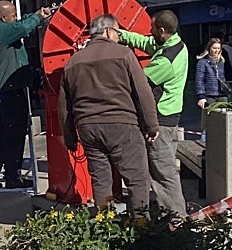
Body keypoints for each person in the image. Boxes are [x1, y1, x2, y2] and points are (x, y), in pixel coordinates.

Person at [58, 14, 159, 213]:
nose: (119, 37)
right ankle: (140, 226)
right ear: (107, 31)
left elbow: (64, 105)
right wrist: (151, 124)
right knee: (136, 178)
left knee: (100, 179)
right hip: (122, 124)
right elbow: (142, 91)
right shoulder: (123, 54)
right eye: (118, 32)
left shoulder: (73, 62)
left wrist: (70, 137)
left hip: (88, 128)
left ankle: (104, 224)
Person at [117, 9, 189, 216]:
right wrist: (121, 34)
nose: (149, 31)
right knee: (160, 168)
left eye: (152, 28)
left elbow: (139, 81)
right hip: (168, 118)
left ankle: (176, 218)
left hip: (160, 121)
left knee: (162, 170)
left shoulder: (167, 60)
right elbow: (145, 43)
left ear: (162, 30)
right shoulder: (174, 44)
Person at [0, 0, 54, 188]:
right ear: (3, 18)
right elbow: (20, 29)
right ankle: (11, 175)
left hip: (9, 90)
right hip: (10, 90)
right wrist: (37, 17)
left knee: (3, 133)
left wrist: (36, 15)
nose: (16, 18)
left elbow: (20, 25)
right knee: (13, 134)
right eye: (13, 15)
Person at [195, 38, 231, 111]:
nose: (216, 50)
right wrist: (201, 96)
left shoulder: (222, 62)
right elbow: (199, 80)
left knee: (224, 117)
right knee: (211, 118)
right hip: (209, 95)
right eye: (214, 48)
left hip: (222, 94)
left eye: (218, 48)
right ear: (209, 48)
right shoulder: (203, 62)